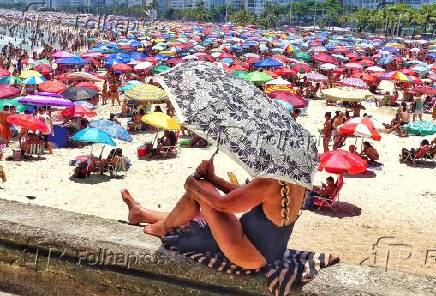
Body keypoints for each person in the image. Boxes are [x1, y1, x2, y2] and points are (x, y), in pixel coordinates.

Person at [121, 159, 330, 270]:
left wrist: (195, 184)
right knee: (202, 209)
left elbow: (223, 205)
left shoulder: (270, 180)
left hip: (247, 252)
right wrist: (214, 178)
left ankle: (162, 227)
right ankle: (140, 213)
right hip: (270, 250)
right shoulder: (294, 179)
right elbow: (244, 194)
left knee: (199, 193)